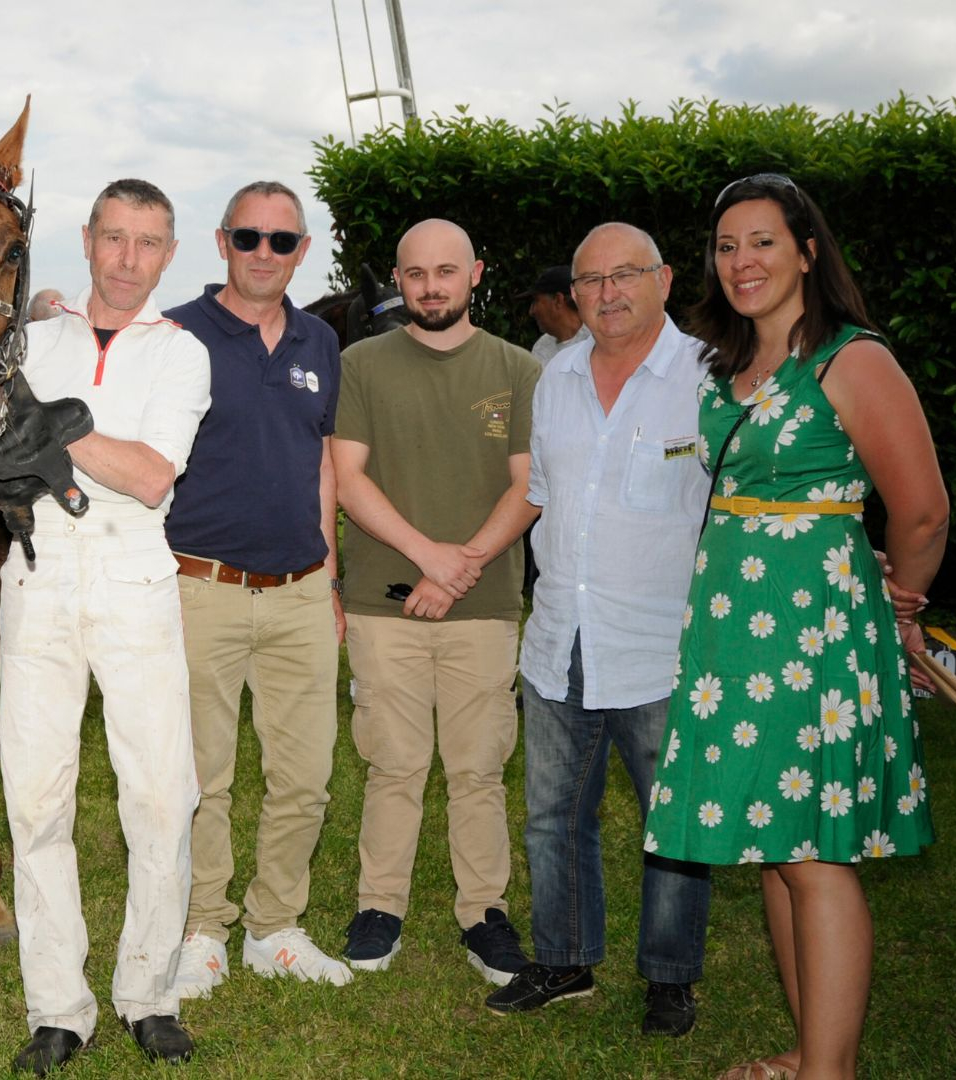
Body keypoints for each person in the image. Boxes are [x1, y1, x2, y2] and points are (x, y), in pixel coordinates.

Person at [643, 174, 946, 1080]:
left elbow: (922, 513)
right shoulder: (725, 366)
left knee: (814, 854)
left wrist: (898, 611)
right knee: (774, 847)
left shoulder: (851, 359)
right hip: (735, 629)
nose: (742, 262)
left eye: (763, 241)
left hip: (815, 628)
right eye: (727, 246)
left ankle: (831, 1073)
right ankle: (810, 1048)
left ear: (808, 251)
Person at [0, 179, 211, 1075]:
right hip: (37, 573)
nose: (127, 260)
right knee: (37, 798)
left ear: (169, 253)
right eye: (114, 238)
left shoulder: (184, 353)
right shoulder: (27, 340)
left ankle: (150, 993)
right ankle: (57, 1006)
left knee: (162, 795)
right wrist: (48, 430)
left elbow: (152, 476)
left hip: (135, 575)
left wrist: (46, 424)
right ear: (86, 241)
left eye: (148, 243)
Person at [484, 223, 711, 1034]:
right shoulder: (556, 377)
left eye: (626, 275)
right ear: (572, 295)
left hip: (662, 645)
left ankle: (670, 978)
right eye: (591, 280)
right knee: (552, 816)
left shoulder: (706, 379)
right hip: (560, 638)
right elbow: (542, 489)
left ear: (665, 279)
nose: (608, 292)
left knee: (674, 823)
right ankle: (564, 960)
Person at [332, 218, 539, 984]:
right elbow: (347, 477)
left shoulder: (518, 370)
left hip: (485, 605)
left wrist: (462, 567)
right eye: (416, 274)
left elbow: (529, 487)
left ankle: (484, 912)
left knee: (478, 766)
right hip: (385, 602)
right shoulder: (361, 365)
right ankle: (378, 905)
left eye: (446, 272)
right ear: (398, 278)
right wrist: (429, 557)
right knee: (392, 761)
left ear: (476, 273)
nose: (431, 287)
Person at [162, 181, 351, 997]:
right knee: (202, 778)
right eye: (249, 238)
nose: (264, 254)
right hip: (201, 590)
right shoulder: (174, 336)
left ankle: (274, 925)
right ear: (222, 242)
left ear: (303, 251)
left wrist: (331, 583)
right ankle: (205, 926)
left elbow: (321, 465)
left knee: (305, 774)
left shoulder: (320, 343)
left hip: (303, 594)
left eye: (282, 241)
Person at [520, 264, 590, 363]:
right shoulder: (542, 347)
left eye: (536, 300)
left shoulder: (600, 340)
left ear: (558, 300)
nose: (531, 311)